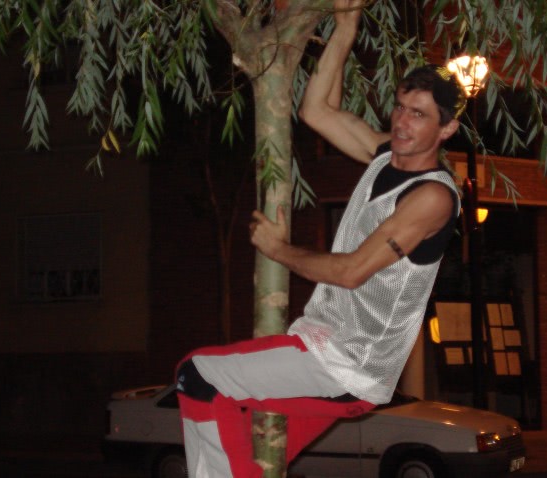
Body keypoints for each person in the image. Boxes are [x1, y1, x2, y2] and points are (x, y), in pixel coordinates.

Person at [174, 0, 465, 476]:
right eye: (400, 107)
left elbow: (351, 272)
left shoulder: (431, 197)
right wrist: (345, 28)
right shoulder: (381, 155)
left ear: (447, 127)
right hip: (324, 350)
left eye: (419, 115)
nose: (401, 122)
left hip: (345, 363)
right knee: (252, 457)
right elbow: (316, 110)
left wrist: (276, 249)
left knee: (198, 376)